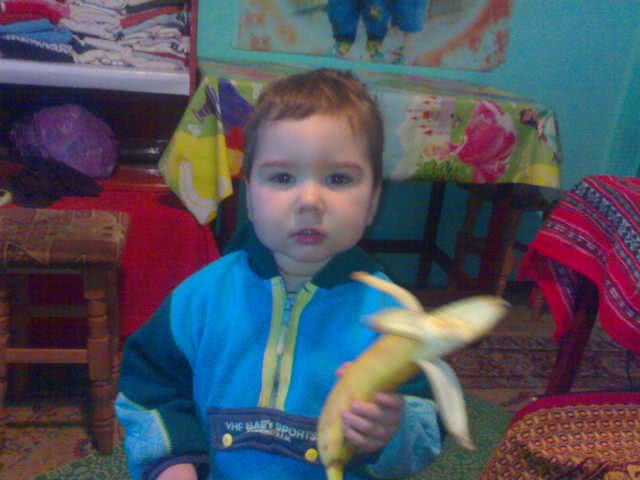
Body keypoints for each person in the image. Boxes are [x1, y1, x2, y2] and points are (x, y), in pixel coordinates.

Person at [116, 68, 444, 480]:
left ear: (374, 200)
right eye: (283, 177)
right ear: (250, 196)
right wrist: (172, 461)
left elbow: (427, 425)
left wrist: (388, 433)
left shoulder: (396, 319)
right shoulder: (200, 297)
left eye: (338, 178)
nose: (309, 201)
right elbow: (150, 387)